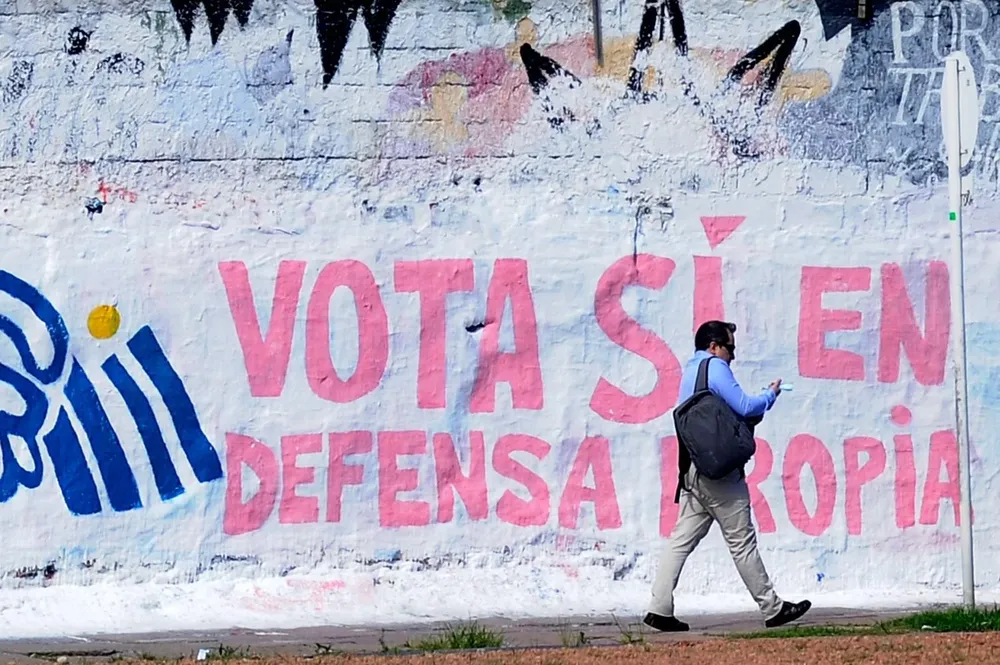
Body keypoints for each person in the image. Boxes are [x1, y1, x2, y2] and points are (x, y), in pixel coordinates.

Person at [643, 320, 811, 632]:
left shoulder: (690, 371)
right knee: (741, 541)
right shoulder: (715, 367)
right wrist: (770, 395)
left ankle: (659, 607)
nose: (732, 355)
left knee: (680, 540)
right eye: (729, 348)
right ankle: (772, 608)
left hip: (693, 470)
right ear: (713, 346)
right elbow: (746, 407)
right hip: (720, 476)